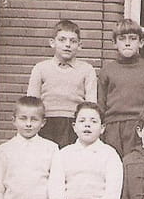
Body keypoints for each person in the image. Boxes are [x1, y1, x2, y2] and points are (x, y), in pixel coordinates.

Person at [27, 20, 97, 148]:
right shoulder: (40, 68)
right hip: (46, 123)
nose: (67, 45)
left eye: (73, 41)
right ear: (52, 42)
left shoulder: (87, 70)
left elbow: (91, 105)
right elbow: (31, 104)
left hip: (75, 125)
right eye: (62, 40)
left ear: (80, 45)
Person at [98, 18, 144, 157]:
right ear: (114, 43)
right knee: (113, 161)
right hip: (112, 126)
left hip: (138, 126)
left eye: (133, 38)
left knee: (135, 161)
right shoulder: (108, 70)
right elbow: (100, 104)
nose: (127, 43)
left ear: (141, 42)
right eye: (122, 39)